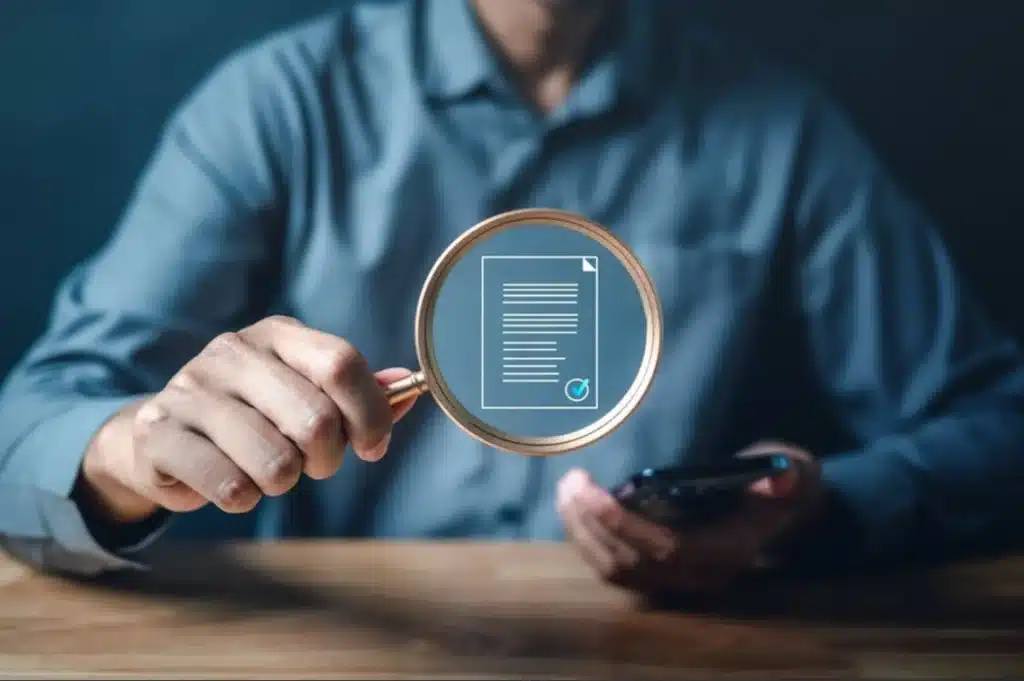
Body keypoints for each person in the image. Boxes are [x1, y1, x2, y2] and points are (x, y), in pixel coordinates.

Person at [1, 0, 1022, 595]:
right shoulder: (280, 104)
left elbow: (998, 430)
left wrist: (808, 511)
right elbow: (24, 436)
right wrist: (129, 453)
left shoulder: (781, 132)